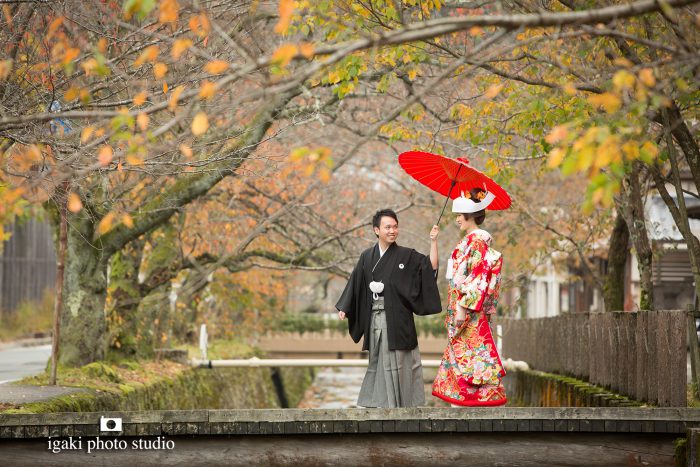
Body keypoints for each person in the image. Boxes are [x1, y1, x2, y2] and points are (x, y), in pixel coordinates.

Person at [336, 209, 442, 408]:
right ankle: (379, 403)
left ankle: (400, 405)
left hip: (398, 319)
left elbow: (430, 267)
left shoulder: (407, 255)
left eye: (395, 226)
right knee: (378, 360)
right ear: (377, 230)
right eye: (387, 227)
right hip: (374, 320)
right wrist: (346, 307)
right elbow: (356, 282)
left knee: (399, 363)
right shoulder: (367, 256)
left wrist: (434, 242)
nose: (392, 231)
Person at [431, 188, 508, 406]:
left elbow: (478, 276)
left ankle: (472, 400)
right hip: (462, 305)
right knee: (466, 354)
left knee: (471, 354)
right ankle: (465, 400)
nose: (457, 220)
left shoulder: (476, 242)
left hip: (467, 310)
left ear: (470, 216)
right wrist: (434, 241)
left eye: (459, 215)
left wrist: (463, 308)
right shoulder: (471, 241)